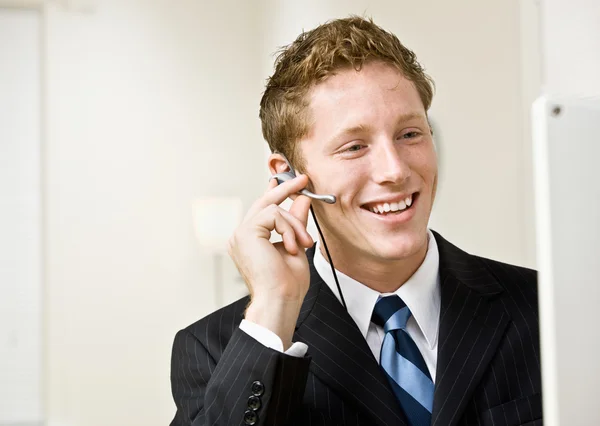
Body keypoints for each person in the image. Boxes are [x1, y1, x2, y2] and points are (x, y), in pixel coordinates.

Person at [170, 16, 542, 426]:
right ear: (288, 176)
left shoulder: (544, 307)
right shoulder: (213, 348)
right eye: (354, 146)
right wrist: (275, 307)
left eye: (410, 134)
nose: (394, 170)